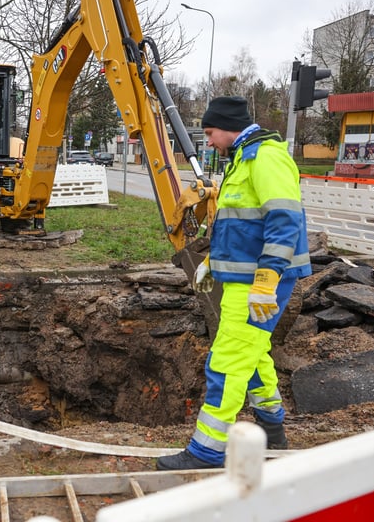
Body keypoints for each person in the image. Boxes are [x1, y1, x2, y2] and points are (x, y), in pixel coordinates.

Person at [157, 96, 312, 470]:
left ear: (227, 127)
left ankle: (207, 450)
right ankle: (273, 431)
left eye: (209, 133)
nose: (207, 141)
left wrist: (266, 279)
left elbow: (284, 221)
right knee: (254, 357)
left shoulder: (265, 158)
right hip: (244, 278)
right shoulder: (243, 160)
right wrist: (212, 261)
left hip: (258, 282)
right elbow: (239, 226)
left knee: (227, 361)